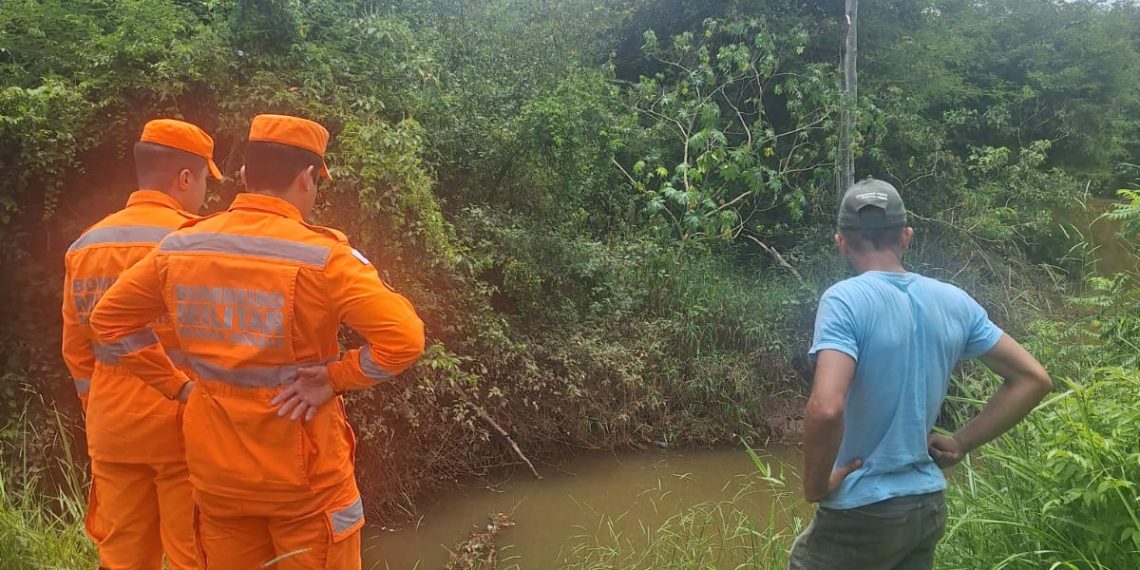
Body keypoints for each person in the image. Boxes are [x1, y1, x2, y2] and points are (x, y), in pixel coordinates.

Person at [89, 114, 425, 570]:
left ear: (245, 176)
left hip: (216, 473)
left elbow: (107, 320)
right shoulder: (323, 256)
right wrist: (334, 377)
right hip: (304, 477)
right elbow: (404, 339)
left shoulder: (180, 249)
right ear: (308, 178)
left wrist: (176, 386)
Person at [788, 178, 1053, 570]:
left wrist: (815, 484)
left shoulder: (844, 299)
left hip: (862, 511)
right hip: (925, 505)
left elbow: (826, 408)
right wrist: (960, 441)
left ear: (841, 241)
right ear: (906, 236)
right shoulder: (953, 301)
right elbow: (1034, 379)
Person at [62, 119, 221, 570]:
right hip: (182, 425)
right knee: (195, 555)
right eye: (205, 179)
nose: (205, 192)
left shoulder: (85, 245)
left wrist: (98, 406)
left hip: (112, 429)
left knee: (122, 558)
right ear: (185, 178)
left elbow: (77, 351)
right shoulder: (196, 242)